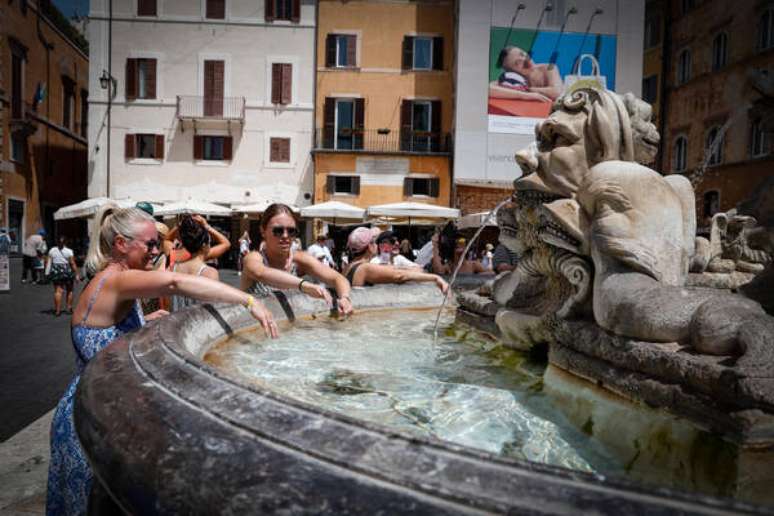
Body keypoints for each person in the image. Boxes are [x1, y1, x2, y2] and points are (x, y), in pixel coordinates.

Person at [46, 205, 277, 516]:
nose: (157, 251)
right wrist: (248, 300)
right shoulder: (117, 280)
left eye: (158, 243)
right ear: (120, 245)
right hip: (87, 419)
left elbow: (103, 331)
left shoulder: (110, 281)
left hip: (88, 408)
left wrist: (144, 321)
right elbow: (174, 283)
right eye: (150, 244)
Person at [241, 203, 351, 314]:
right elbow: (261, 273)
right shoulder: (253, 258)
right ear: (263, 231)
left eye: (291, 231)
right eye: (278, 231)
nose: (285, 236)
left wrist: (345, 298)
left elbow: (338, 278)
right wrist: (303, 285)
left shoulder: (299, 258)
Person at [344, 227, 448, 293]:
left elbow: (393, 270)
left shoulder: (349, 266)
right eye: (374, 242)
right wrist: (435, 278)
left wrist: (407, 269)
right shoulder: (365, 267)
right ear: (369, 246)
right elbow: (399, 275)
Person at [169, 215, 222, 312]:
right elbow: (213, 308)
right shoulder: (209, 273)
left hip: (175, 325)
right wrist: (207, 226)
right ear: (204, 245)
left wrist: (179, 226)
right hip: (198, 325)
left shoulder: (172, 268)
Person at [489, 46, 563, 102]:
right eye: (517, 63)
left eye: (522, 54)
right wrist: (524, 95)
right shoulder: (512, 80)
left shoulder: (549, 67)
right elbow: (487, 89)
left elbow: (556, 93)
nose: (524, 59)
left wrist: (527, 90)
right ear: (511, 73)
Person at [46, 236, 80, 316]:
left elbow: (48, 262)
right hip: (67, 271)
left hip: (56, 271)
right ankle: (69, 308)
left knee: (58, 291)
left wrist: (47, 273)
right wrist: (77, 274)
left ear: (57, 242)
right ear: (65, 242)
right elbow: (72, 263)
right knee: (69, 290)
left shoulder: (52, 250)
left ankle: (57, 311)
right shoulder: (69, 251)